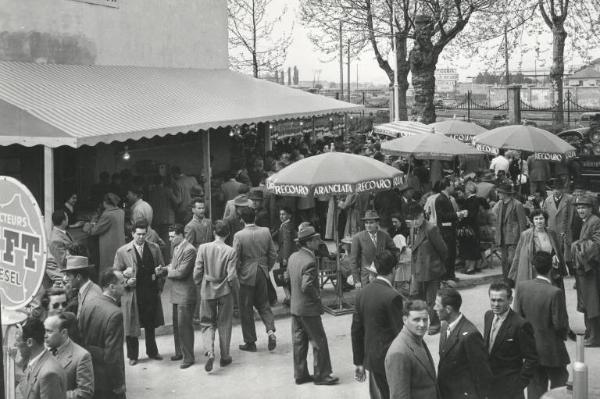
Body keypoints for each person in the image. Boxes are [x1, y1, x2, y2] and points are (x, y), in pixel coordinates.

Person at [514, 251, 570, 399]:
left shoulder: (522, 287)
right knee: (559, 388)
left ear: (533, 267)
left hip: (531, 349)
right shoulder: (555, 292)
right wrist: (563, 335)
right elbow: (560, 324)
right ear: (551, 268)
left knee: (535, 389)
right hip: (552, 349)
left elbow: (517, 317)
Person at [288, 226, 338, 385]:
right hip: (308, 308)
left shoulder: (293, 257)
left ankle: (300, 374)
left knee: (299, 342)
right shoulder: (309, 261)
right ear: (308, 243)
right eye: (316, 239)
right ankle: (322, 375)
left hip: (296, 306)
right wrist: (317, 298)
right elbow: (306, 286)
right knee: (319, 341)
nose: (318, 242)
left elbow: (291, 281)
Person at [351, 251, 403, 399]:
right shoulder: (392, 296)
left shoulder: (362, 293)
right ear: (394, 270)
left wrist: (358, 362)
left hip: (371, 358)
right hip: (389, 360)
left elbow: (356, 331)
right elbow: (399, 333)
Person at [113, 220, 165, 366]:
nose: (141, 237)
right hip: (133, 293)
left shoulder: (154, 248)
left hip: (150, 292)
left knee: (150, 323)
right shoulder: (123, 251)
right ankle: (133, 356)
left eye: (144, 234)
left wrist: (159, 282)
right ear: (132, 233)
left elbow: (161, 267)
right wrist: (125, 280)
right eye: (138, 234)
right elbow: (115, 270)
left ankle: (152, 351)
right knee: (131, 325)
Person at [194, 220, 238, 372]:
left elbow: (197, 270)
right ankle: (225, 356)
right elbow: (232, 276)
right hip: (225, 290)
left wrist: (199, 283)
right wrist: (234, 291)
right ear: (228, 234)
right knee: (225, 323)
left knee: (207, 323)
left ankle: (210, 351)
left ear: (214, 232)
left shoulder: (203, 248)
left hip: (207, 289)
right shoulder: (231, 251)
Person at [233, 207, 277, 352]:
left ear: (242, 220)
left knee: (246, 308)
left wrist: (237, 272)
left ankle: (250, 342)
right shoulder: (265, 231)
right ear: (255, 217)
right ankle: (270, 331)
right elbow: (273, 254)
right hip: (262, 270)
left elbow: (235, 258)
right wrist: (266, 268)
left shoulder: (239, 235)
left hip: (246, 274)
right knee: (264, 304)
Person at [484, 281, 538, 399]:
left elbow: (532, 358)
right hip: (490, 385)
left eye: (500, 300)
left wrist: (519, 385)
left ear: (510, 300)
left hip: (510, 389)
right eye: (493, 300)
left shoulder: (520, 324)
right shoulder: (488, 316)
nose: (496, 304)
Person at [435, 287, 492, 399]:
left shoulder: (470, 335)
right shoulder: (445, 326)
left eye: (437, 305)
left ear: (448, 309)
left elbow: (483, 372)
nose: (434, 308)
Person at [78, 271, 126, 399]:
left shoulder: (87, 305)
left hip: (90, 375)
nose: (125, 285)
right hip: (108, 381)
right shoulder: (115, 314)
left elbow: (80, 339)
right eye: (122, 283)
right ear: (112, 287)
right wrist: (118, 384)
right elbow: (112, 357)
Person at [406, 203, 447, 335]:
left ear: (422, 215)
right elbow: (414, 251)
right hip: (418, 269)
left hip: (431, 270)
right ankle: (420, 321)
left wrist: (436, 265)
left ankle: (435, 323)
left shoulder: (431, 229)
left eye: (417, 218)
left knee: (431, 300)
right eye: (411, 219)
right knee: (416, 297)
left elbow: (443, 250)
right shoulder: (413, 228)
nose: (414, 222)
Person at [384, 300, 439, 399]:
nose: (422, 324)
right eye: (416, 320)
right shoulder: (399, 353)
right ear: (405, 320)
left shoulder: (417, 339)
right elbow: (400, 396)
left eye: (425, 319)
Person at [163, 224, 197, 369]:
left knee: (185, 326)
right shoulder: (176, 247)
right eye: (169, 237)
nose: (170, 239)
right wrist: (165, 268)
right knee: (177, 326)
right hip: (177, 292)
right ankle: (179, 352)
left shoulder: (190, 249)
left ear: (181, 235)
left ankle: (188, 357)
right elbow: (174, 265)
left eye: (172, 236)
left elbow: (182, 272)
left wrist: (167, 272)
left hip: (185, 293)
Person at [508, 209, 566, 290]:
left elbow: (557, 251)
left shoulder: (551, 233)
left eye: (541, 218)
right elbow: (518, 255)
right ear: (532, 221)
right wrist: (513, 274)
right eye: (536, 219)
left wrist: (557, 260)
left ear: (545, 220)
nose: (539, 221)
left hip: (550, 269)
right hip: (534, 270)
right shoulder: (526, 235)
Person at [570, 194, 600, 346]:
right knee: (588, 302)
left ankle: (595, 337)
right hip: (585, 269)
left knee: (592, 303)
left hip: (591, 270)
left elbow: (597, 244)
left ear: (590, 208)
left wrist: (577, 246)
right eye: (578, 207)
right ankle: (590, 332)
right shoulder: (587, 221)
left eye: (584, 207)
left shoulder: (595, 221)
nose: (580, 210)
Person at [44, 313, 94, 399]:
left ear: (64, 333)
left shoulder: (82, 356)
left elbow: (85, 392)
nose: (45, 335)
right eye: (44, 330)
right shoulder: (41, 349)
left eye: (49, 331)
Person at [15, 317, 67, 399]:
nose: (16, 346)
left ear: (29, 342)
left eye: (18, 342)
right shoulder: (34, 360)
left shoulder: (49, 374)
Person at [350, 210, 397, 287]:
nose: (368, 225)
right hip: (366, 278)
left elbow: (395, 251)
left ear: (377, 223)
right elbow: (353, 261)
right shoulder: (358, 237)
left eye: (371, 223)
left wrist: (390, 265)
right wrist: (356, 280)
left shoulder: (384, 235)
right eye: (366, 223)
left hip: (383, 276)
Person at [84, 193, 125, 279]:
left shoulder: (107, 215)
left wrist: (90, 223)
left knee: (108, 271)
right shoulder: (121, 212)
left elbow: (93, 231)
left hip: (109, 248)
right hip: (120, 244)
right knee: (118, 269)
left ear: (104, 203)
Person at [184, 197, 213, 322]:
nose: (202, 210)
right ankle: (196, 315)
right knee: (198, 288)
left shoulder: (208, 222)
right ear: (193, 210)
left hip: (209, 257)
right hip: (198, 260)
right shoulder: (190, 226)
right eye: (199, 208)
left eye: (203, 208)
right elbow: (189, 247)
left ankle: (208, 313)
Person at [492, 181, 528, 278]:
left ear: (505, 194)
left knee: (512, 260)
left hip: (513, 237)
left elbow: (522, 223)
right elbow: (494, 215)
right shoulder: (500, 204)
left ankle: (513, 279)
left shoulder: (517, 204)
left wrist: (522, 238)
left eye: (500, 192)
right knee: (504, 261)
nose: (498, 194)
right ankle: (506, 279)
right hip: (503, 236)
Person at [542, 178, 574, 274]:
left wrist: (567, 230)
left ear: (563, 189)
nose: (556, 191)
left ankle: (572, 271)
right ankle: (559, 271)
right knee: (555, 251)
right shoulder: (548, 200)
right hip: (552, 229)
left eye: (559, 189)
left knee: (567, 253)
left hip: (565, 229)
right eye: (554, 189)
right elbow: (545, 215)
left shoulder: (569, 199)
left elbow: (571, 216)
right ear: (552, 190)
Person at [435, 177, 462, 281]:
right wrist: (457, 214)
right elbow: (444, 216)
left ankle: (450, 274)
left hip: (449, 229)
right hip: (446, 231)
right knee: (448, 253)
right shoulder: (441, 199)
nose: (453, 188)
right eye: (452, 186)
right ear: (447, 187)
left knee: (451, 253)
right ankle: (446, 276)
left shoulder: (446, 198)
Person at [273, 207, 295, 305]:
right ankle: (290, 297)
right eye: (280, 214)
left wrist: (285, 257)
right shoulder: (286, 225)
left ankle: (289, 298)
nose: (281, 216)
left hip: (285, 255)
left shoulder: (285, 226)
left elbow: (286, 242)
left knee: (284, 276)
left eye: (284, 214)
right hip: (287, 254)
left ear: (289, 215)